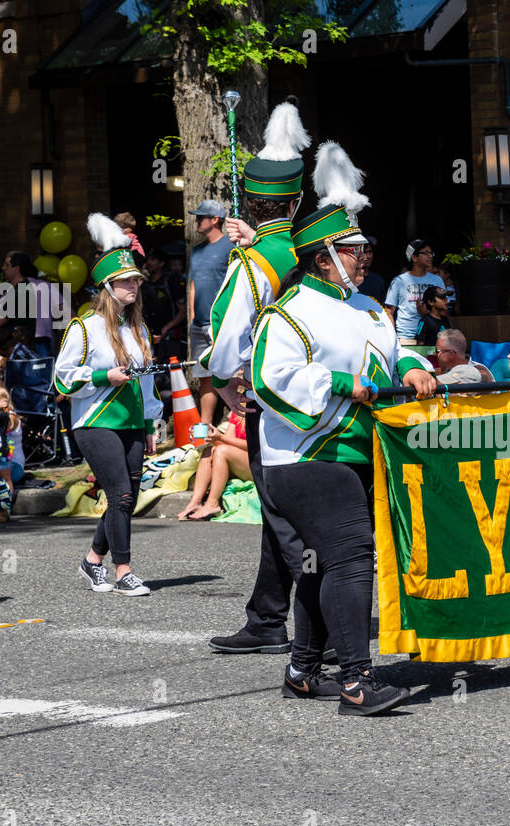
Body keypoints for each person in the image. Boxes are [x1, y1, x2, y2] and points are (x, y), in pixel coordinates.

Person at [252, 141, 435, 715]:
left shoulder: (367, 307)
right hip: (305, 457)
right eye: (356, 249)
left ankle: (304, 672)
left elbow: (396, 350)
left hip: (359, 453)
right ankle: (356, 680)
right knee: (353, 556)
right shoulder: (289, 312)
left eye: (364, 247)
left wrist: (413, 368)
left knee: (325, 560)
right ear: (324, 255)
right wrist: (335, 382)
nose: (366, 256)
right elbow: (266, 377)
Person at [201, 102, 312, 655]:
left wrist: (229, 390)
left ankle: (330, 627)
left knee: (284, 513)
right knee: (278, 512)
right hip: (324, 401)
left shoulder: (250, 263)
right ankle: (267, 619)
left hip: (271, 404)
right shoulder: (312, 250)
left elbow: (222, 347)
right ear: (295, 201)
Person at [55, 213, 162, 598]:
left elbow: (147, 383)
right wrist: (103, 377)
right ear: (107, 286)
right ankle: (124, 571)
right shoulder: (84, 327)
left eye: (135, 279)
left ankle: (91, 560)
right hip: (94, 420)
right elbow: (62, 379)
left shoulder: (139, 328)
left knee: (127, 496)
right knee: (119, 494)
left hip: (132, 420)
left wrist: (150, 426)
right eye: (126, 281)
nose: (134, 285)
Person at [187, 198, 232, 425]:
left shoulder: (231, 247)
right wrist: (193, 318)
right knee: (205, 377)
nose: (196, 221)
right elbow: (193, 285)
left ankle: (234, 425)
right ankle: (206, 426)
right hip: (199, 326)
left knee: (230, 372)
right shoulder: (196, 252)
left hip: (222, 324)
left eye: (200, 217)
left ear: (215, 220)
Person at [178, 410, 251, 521]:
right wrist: (212, 439)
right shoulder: (239, 408)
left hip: (258, 463)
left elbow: (255, 447)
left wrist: (220, 438)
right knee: (209, 450)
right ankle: (195, 502)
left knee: (221, 451)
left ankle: (213, 504)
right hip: (241, 460)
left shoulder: (260, 408)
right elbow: (227, 441)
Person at [385, 239, 444, 343]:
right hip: (406, 337)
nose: (430, 256)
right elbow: (389, 311)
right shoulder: (399, 281)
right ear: (414, 257)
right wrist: (392, 338)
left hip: (432, 335)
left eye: (431, 253)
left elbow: (444, 309)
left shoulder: (437, 280)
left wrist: (429, 314)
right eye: (425, 253)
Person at [356, 237, 386, 302]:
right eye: (364, 252)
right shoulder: (349, 280)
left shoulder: (378, 280)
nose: (368, 256)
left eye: (370, 252)